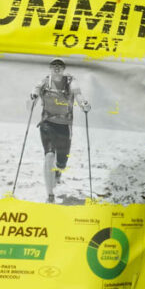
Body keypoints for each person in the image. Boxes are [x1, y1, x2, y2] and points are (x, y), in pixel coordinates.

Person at [29, 57, 90, 203]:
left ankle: (58, 171)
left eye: (60, 66)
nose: (57, 68)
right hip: (47, 123)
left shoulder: (71, 81)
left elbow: (78, 95)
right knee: (49, 155)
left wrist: (84, 104)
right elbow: (35, 90)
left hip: (64, 125)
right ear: (50, 68)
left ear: (64, 69)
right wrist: (33, 97)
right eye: (54, 65)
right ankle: (50, 195)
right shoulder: (45, 81)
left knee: (62, 163)